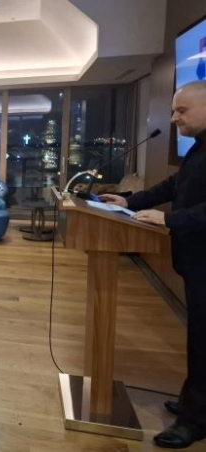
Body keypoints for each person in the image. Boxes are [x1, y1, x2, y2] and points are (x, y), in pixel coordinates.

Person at [100, 81, 206, 449]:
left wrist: (169, 219)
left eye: (181, 110)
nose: (174, 118)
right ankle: (195, 401)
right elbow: (175, 186)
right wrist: (129, 201)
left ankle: (196, 421)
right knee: (198, 338)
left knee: (203, 341)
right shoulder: (199, 147)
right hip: (194, 260)